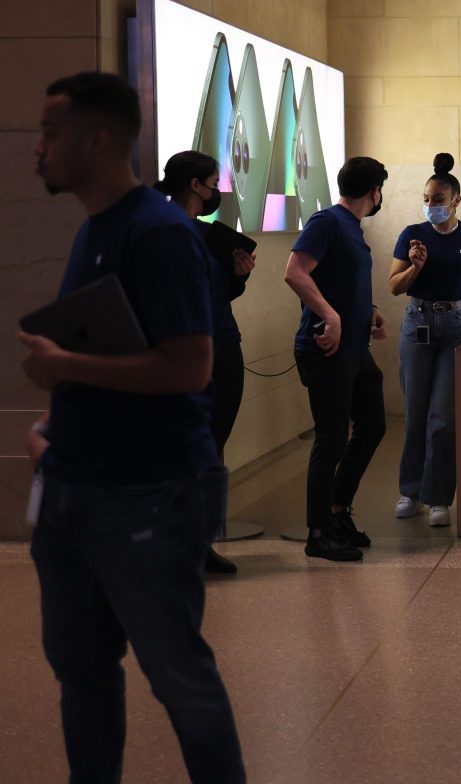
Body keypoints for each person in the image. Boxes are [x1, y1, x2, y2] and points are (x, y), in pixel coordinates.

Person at [20, 72, 246, 783]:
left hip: (145, 493)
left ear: (97, 139)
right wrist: (59, 423)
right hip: (73, 485)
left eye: (51, 133)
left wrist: (69, 369)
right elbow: (105, 342)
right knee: (81, 672)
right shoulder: (97, 226)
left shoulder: (161, 234)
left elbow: (188, 367)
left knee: (178, 675)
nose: (38, 149)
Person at [283, 156, 390, 562]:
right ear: (373, 191)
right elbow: (295, 271)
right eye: (381, 189)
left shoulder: (352, 228)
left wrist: (369, 311)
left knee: (373, 426)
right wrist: (329, 315)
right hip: (326, 350)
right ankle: (318, 533)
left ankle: (337, 509)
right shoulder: (326, 221)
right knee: (331, 438)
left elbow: (340, 281)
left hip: (355, 349)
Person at [156, 151, 258, 575]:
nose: (217, 190)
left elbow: (220, 293)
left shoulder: (212, 236)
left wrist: (240, 274)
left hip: (222, 344)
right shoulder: (162, 232)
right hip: (184, 350)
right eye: (213, 182)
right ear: (196, 185)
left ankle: (199, 543)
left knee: (212, 445)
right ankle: (179, 542)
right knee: (187, 447)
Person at [389, 153, 461, 528]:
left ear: (456, 200)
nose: (431, 206)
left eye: (439, 200)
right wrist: (415, 266)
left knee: (443, 417)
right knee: (415, 410)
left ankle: (439, 497)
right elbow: (394, 287)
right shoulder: (411, 235)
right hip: (418, 322)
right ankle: (410, 491)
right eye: (427, 199)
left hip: (457, 324)